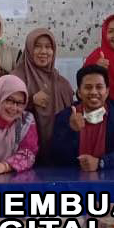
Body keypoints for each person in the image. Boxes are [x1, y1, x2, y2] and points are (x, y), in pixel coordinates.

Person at [11, 28, 75, 165]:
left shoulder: (62, 83)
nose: (43, 51)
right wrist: (30, 101)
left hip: (59, 158)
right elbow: (4, 109)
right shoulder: (16, 78)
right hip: (23, 157)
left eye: (48, 47)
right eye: (37, 46)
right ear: (29, 49)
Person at [51, 65, 114, 170]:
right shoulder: (65, 116)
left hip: (110, 176)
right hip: (74, 177)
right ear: (79, 92)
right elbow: (56, 157)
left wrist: (100, 163)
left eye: (99, 87)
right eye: (88, 87)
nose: (94, 92)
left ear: (107, 91)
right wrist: (70, 130)